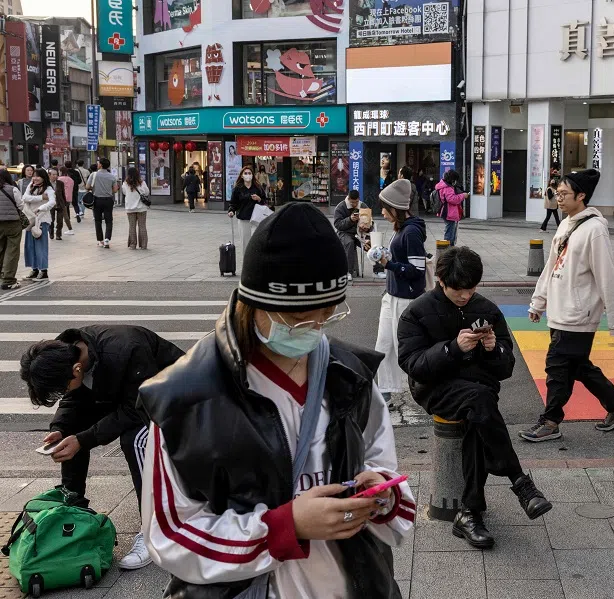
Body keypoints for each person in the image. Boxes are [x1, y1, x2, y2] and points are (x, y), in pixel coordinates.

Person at [138, 203, 414, 597]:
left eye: (328, 315)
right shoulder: (186, 399)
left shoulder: (350, 375)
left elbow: (380, 461)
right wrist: (287, 526)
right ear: (255, 305)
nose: (315, 330)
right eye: (298, 319)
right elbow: (170, 534)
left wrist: (382, 493)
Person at [398, 247, 552, 548]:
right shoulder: (416, 312)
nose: (466, 296)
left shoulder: (487, 309)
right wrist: (453, 348)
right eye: (459, 291)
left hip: (479, 389)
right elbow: (413, 365)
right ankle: (520, 483)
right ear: (441, 281)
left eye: (471, 290)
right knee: (480, 402)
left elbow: (507, 367)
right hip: (436, 389)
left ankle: (470, 513)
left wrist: (494, 348)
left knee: (478, 412)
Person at [19, 325, 184, 570]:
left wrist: (84, 440)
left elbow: (136, 409)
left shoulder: (127, 350)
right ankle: (73, 512)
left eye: (63, 387)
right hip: (125, 397)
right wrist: (61, 428)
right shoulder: (62, 353)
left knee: (134, 441)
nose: (63, 392)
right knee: (70, 435)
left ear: (77, 370)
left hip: (173, 399)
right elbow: (73, 398)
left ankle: (153, 533)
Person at [519, 169, 614, 442]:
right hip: (561, 311)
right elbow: (551, 267)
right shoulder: (566, 223)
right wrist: (539, 301)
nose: (558, 198)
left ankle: (550, 421)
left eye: (564, 194)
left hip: (578, 314)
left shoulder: (594, 230)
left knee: (557, 365)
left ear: (581, 196)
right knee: (577, 366)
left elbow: (606, 275)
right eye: (557, 193)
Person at [374, 179, 427, 400]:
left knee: (405, 349)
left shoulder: (411, 232)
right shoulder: (402, 228)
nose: (383, 213)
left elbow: (418, 269)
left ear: (395, 209)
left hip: (406, 300)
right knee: (383, 346)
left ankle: (424, 388)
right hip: (392, 296)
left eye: (385, 209)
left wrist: (389, 264)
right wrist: (382, 254)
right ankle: (384, 393)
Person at [21, 168, 55, 280]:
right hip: (30, 220)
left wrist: (41, 207)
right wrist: (41, 198)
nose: (34, 178)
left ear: (43, 177)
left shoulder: (49, 188)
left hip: (42, 220)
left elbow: (52, 202)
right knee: (30, 246)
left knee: (41, 246)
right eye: (34, 176)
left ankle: (43, 271)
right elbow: (24, 198)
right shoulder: (31, 185)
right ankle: (34, 269)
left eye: (37, 176)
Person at [229, 165, 266, 255]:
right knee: (245, 242)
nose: (247, 175)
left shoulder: (257, 187)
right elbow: (233, 203)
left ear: (252, 175)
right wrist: (231, 211)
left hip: (256, 219)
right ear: (242, 176)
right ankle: (246, 262)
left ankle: (255, 260)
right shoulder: (238, 188)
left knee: (255, 241)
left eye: (249, 173)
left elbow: (264, 201)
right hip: (243, 218)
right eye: (245, 173)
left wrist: (259, 199)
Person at [333, 189, 367, 279]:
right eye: (352, 202)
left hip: (360, 233)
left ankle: (378, 270)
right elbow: (337, 225)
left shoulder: (363, 205)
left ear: (358, 199)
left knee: (372, 243)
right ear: (348, 198)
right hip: (344, 232)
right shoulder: (341, 207)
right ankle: (348, 271)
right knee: (349, 243)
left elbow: (370, 222)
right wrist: (350, 220)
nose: (354, 204)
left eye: (356, 202)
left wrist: (366, 226)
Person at [85, 158, 119, 249]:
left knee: (98, 220)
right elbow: (115, 190)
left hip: (97, 200)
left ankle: (100, 240)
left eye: (98, 163)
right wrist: (107, 190)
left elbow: (87, 186)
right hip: (108, 200)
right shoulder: (112, 176)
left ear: (100, 165)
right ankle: (107, 239)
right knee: (109, 220)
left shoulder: (94, 174)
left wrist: (95, 188)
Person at [0, 169, 24, 290]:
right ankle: (8, 280)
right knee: (12, 251)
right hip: (12, 223)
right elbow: (21, 205)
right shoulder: (12, 189)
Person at [435, 170, 468, 246]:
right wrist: (463, 195)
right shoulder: (447, 188)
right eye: (455, 180)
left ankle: (450, 248)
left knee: (451, 231)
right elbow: (452, 199)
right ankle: (447, 249)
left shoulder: (445, 186)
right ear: (452, 180)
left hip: (449, 212)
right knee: (449, 233)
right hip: (449, 213)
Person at [123, 167, 150, 250]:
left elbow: (124, 192)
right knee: (142, 226)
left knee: (132, 226)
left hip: (130, 208)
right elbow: (147, 192)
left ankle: (133, 245)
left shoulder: (125, 183)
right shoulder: (142, 183)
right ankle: (143, 245)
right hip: (141, 208)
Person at [52, 167, 74, 240]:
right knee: (51, 219)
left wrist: (64, 202)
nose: (55, 176)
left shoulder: (60, 182)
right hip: (51, 204)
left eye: (56, 174)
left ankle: (58, 234)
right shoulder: (47, 183)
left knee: (60, 220)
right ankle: (51, 231)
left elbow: (63, 193)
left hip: (60, 202)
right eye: (53, 174)